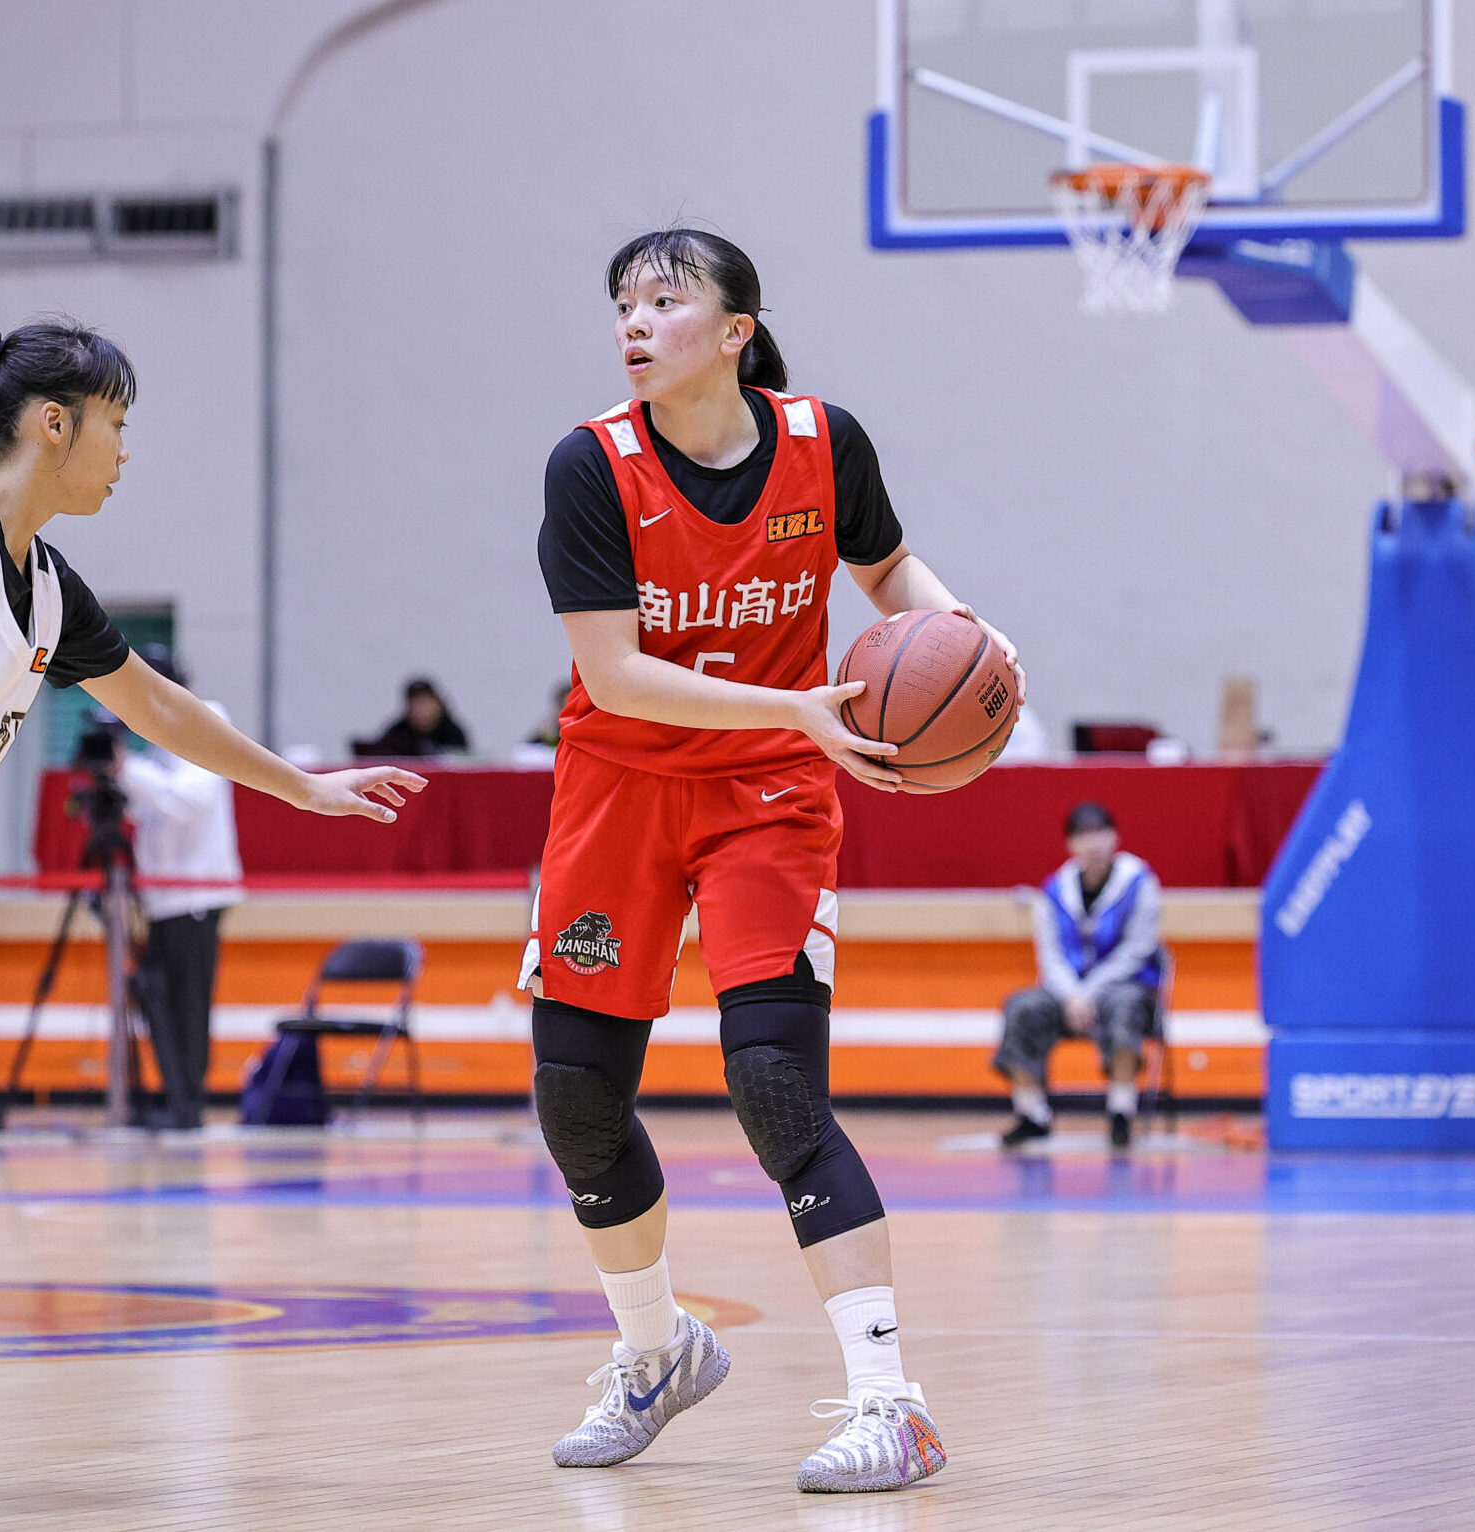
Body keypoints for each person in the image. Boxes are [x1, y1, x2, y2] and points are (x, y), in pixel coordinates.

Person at [0, 308, 424, 1511]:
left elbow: (161, 708)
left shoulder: (46, 590)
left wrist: (304, 787)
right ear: (54, 423)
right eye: (117, 422)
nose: (127, 449)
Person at [528, 227, 1024, 1494]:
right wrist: (801, 706)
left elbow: (885, 569)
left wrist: (960, 629)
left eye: (663, 300)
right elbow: (613, 674)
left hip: (767, 794)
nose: (633, 321)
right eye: (621, 301)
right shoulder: (590, 464)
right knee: (576, 1096)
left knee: (774, 1083)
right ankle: (657, 1351)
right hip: (620, 787)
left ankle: (890, 1404)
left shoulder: (822, 441)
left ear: (735, 330)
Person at [119, 647, 244, 1131]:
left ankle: (188, 1103)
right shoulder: (155, 736)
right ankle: (172, 1094)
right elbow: (151, 810)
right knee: (160, 1000)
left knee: (189, 1004)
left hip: (196, 894)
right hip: (163, 897)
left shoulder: (207, 719)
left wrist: (128, 771)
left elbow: (190, 798)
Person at [993, 800, 1163, 1151]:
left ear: (1115, 837)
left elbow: (1138, 949)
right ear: (1070, 844)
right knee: (1021, 1007)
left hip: (1122, 987)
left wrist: (1090, 992)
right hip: (1066, 994)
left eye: (1100, 832)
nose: (1093, 843)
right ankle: (1032, 1113)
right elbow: (1050, 955)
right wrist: (1072, 994)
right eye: (1084, 835)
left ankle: (1121, 1111)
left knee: (1127, 1005)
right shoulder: (1054, 889)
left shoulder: (1140, 883)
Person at [350, 675, 469, 758]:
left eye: (425, 703)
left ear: (438, 705)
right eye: (416, 704)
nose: (421, 710)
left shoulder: (453, 733)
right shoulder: (397, 734)